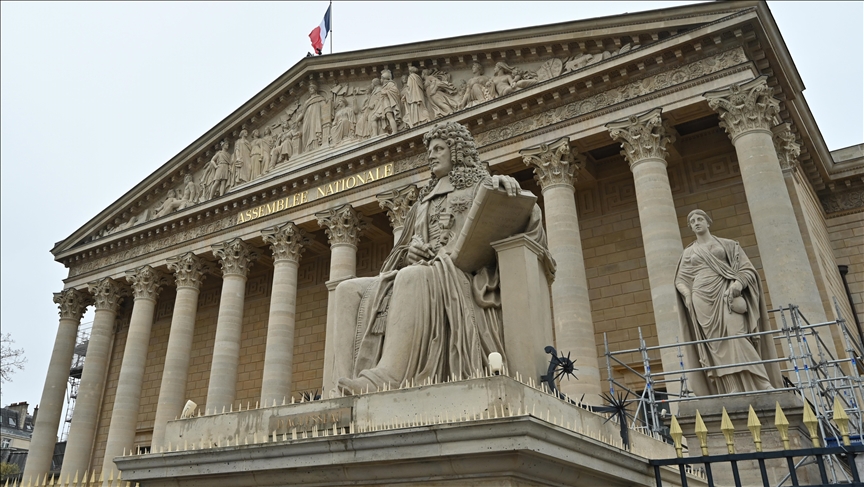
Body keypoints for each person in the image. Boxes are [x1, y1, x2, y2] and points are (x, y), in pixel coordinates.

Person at [332, 121, 547, 395]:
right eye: (430, 150)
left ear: (456, 150)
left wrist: (511, 190)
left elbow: (529, 223)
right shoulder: (423, 203)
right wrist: (409, 253)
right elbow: (398, 255)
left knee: (413, 275)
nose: (431, 155)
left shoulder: (484, 186)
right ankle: (339, 384)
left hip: (462, 276)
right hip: (422, 273)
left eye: (438, 148)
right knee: (346, 289)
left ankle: (386, 377)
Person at [675, 209, 782, 394]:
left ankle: (762, 381)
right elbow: (680, 280)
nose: (696, 222)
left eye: (700, 219)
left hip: (727, 293)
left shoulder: (728, 245)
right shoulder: (688, 253)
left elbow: (747, 269)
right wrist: (687, 295)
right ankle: (731, 388)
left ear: (708, 222)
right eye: (692, 221)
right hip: (701, 298)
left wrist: (738, 284)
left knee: (737, 335)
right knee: (717, 345)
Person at [299, 82, 327, 152]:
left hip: (316, 117)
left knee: (314, 130)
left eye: (311, 88)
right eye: (309, 88)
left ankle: (315, 145)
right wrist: (297, 120)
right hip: (307, 119)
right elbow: (302, 113)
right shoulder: (307, 102)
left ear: (315, 89)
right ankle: (307, 148)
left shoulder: (320, 98)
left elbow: (325, 108)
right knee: (306, 131)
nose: (310, 90)